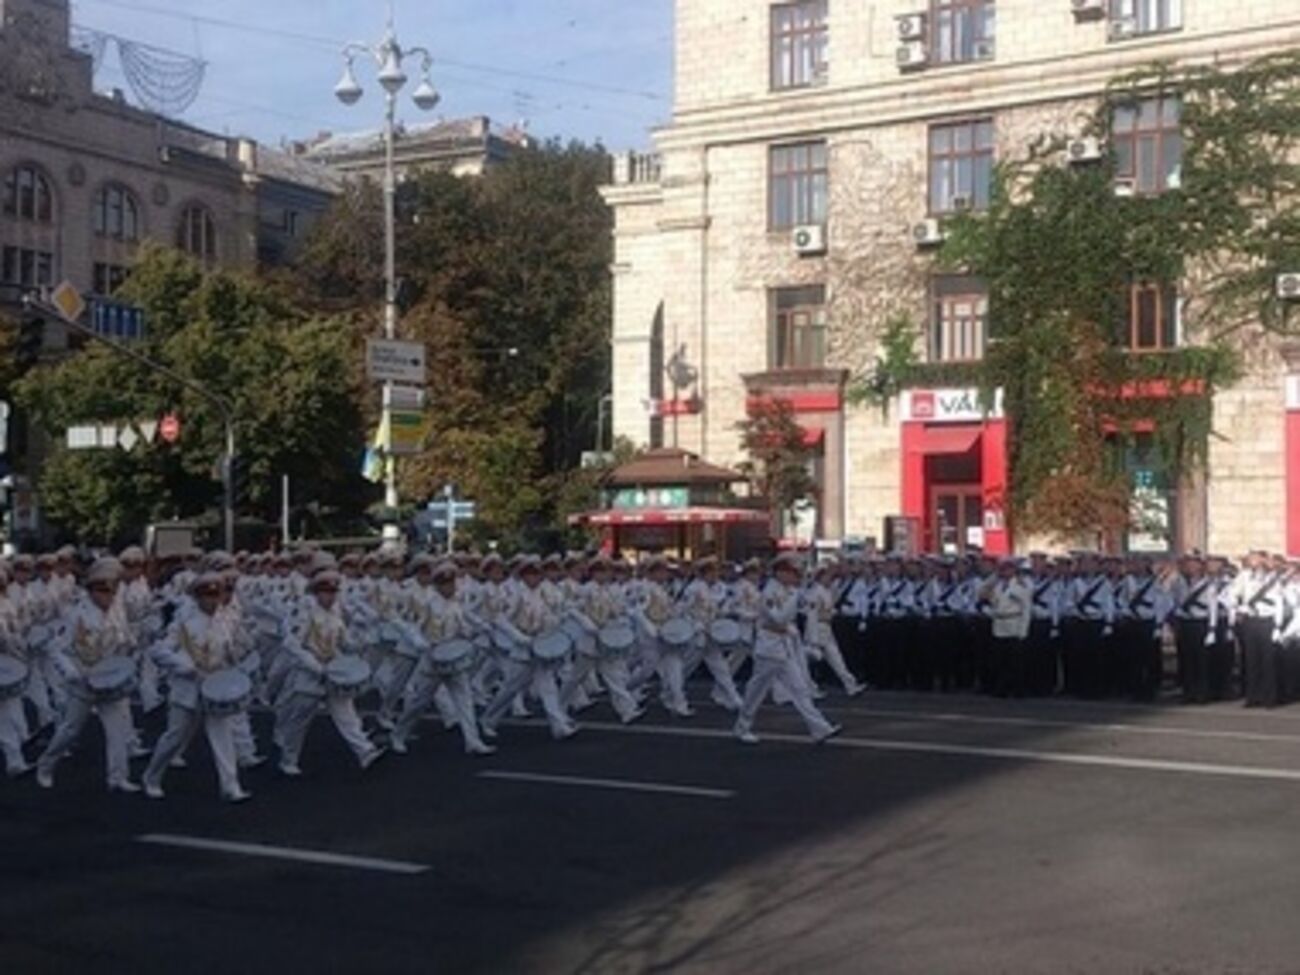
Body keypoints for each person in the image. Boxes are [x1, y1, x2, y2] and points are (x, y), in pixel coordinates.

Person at [142, 571, 252, 802]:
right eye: (207, 597)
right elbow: (158, 650)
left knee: (223, 736)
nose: (212, 601)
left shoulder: (225, 621)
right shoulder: (184, 622)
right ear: (198, 598)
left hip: (215, 688)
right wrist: (185, 666)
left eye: (216, 596)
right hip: (188, 690)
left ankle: (230, 786)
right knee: (174, 738)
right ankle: (152, 776)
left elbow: (232, 650)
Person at [35, 558, 141, 793]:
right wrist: (70, 672)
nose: (108, 597)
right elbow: (55, 648)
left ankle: (117, 777)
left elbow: (123, 641)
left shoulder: (116, 612)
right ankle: (45, 765)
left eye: (111, 591)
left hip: (112, 681)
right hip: (84, 681)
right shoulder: (76, 615)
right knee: (69, 731)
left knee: (118, 731)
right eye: (103, 591)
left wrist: (130, 650)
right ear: (91, 591)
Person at [274, 569, 386, 775]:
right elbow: (292, 644)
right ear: (316, 593)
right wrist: (315, 666)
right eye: (326, 592)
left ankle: (365, 752)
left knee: (347, 715)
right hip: (309, 674)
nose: (331, 596)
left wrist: (362, 643)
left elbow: (344, 643)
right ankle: (288, 759)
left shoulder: (336, 614)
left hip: (333, 671)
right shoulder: (305, 613)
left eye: (334, 592)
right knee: (300, 720)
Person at [390, 559, 495, 756]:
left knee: (465, 701)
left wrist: (475, 631)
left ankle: (472, 741)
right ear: (437, 585)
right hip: (433, 661)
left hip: (455, 659)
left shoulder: (457, 603)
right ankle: (398, 734)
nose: (451, 587)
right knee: (418, 704)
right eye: (446, 584)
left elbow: (462, 627)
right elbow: (412, 627)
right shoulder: (428, 604)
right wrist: (420, 643)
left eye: (452, 583)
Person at [733, 554, 841, 746]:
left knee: (799, 689)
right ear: (780, 573)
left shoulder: (788, 590)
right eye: (792, 573)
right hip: (768, 648)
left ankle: (820, 729)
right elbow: (779, 619)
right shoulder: (769, 592)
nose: (795, 577)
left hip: (784, 647)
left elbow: (802, 611)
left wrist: (802, 598)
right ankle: (742, 726)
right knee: (756, 691)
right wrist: (796, 597)